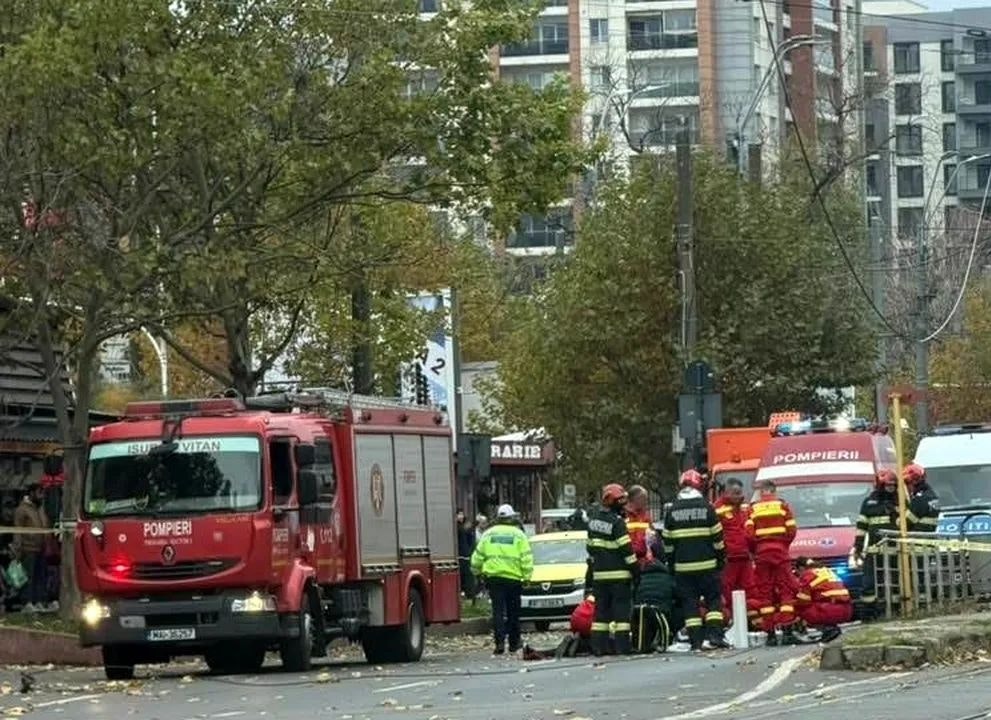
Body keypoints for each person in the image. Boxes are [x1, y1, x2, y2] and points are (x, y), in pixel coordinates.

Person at [662, 470, 729, 651]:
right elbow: (718, 539)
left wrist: (671, 564)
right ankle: (715, 636)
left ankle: (695, 641)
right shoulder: (707, 508)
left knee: (689, 604)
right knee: (713, 601)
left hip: (683, 569)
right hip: (708, 566)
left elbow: (667, 544)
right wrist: (721, 559)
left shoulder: (672, 511)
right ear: (699, 486)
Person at [471, 504, 534, 655]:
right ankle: (514, 642)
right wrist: (527, 577)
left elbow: (477, 556)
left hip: (494, 578)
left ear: (498, 518)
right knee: (513, 612)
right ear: (512, 518)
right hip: (513, 579)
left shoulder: (488, 534)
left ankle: (499, 643)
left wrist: (477, 572)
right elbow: (526, 558)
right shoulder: (519, 535)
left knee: (498, 611)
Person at [586, 483, 639, 656]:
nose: (623, 505)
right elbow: (627, 551)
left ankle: (598, 647)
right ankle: (622, 647)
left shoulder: (593, 521)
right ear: (612, 502)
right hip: (619, 576)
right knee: (621, 614)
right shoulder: (617, 523)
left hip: (600, 577)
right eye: (620, 502)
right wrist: (636, 571)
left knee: (600, 614)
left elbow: (590, 547)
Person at [746, 479, 799, 646]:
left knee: (764, 593)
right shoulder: (783, 506)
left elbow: (748, 534)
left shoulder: (753, 509)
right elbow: (792, 530)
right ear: (774, 491)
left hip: (762, 554)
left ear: (762, 492)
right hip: (780, 552)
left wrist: (756, 550)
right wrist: (783, 545)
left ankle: (770, 635)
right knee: (786, 590)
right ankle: (788, 631)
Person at [714, 478, 757, 629]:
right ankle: (732, 624)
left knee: (750, 591)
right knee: (728, 592)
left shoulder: (745, 509)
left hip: (745, 557)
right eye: (735, 493)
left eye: (739, 493)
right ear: (726, 492)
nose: (738, 496)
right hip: (728, 559)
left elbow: (751, 530)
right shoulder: (717, 509)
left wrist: (753, 551)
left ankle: (750, 622)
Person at [854, 469, 898, 618]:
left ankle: (895, 610)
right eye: (888, 486)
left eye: (894, 486)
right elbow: (861, 528)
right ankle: (869, 613)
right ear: (880, 485)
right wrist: (858, 547)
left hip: (895, 550)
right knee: (869, 584)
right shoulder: (869, 503)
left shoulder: (900, 501)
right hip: (874, 551)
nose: (891, 489)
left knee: (895, 581)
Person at [632, 535, 677, 652]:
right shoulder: (668, 577)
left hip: (639, 612)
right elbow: (677, 595)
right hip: (662, 613)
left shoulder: (641, 576)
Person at [794, 557, 852, 643]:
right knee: (818, 601)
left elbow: (803, 601)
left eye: (797, 572)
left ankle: (828, 629)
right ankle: (832, 628)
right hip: (847, 610)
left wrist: (794, 614)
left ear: (801, 568)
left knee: (802, 610)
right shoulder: (826, 571)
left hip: (829, 610)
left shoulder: (807, 575)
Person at [13, 484, 50, 613]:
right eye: (40, 493)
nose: (42, 496)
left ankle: (38, 601)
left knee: (40, 576)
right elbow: (17, 531)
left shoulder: (39, 509)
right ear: (32, 493)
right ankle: (26, 602)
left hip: (41, 548)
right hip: (28, 548)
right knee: (29, 577)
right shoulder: (22, 510)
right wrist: (17, 549)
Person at [625, 485, 653, 566]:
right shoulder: (624, 515)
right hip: (629, 560)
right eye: (643, 498)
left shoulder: (645, 516)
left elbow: (652, 537)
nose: (645, 501)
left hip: (645, 561)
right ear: (634, 499)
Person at [456, 510, 477, 600]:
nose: (460, 516)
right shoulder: (458, 527)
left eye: (461, 514)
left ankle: (470, 594)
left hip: (466, 555)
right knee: (461, 576)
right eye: (458, 514)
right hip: (459, 555)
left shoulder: (467, 527)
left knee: (468, 576)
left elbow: (471, 541)